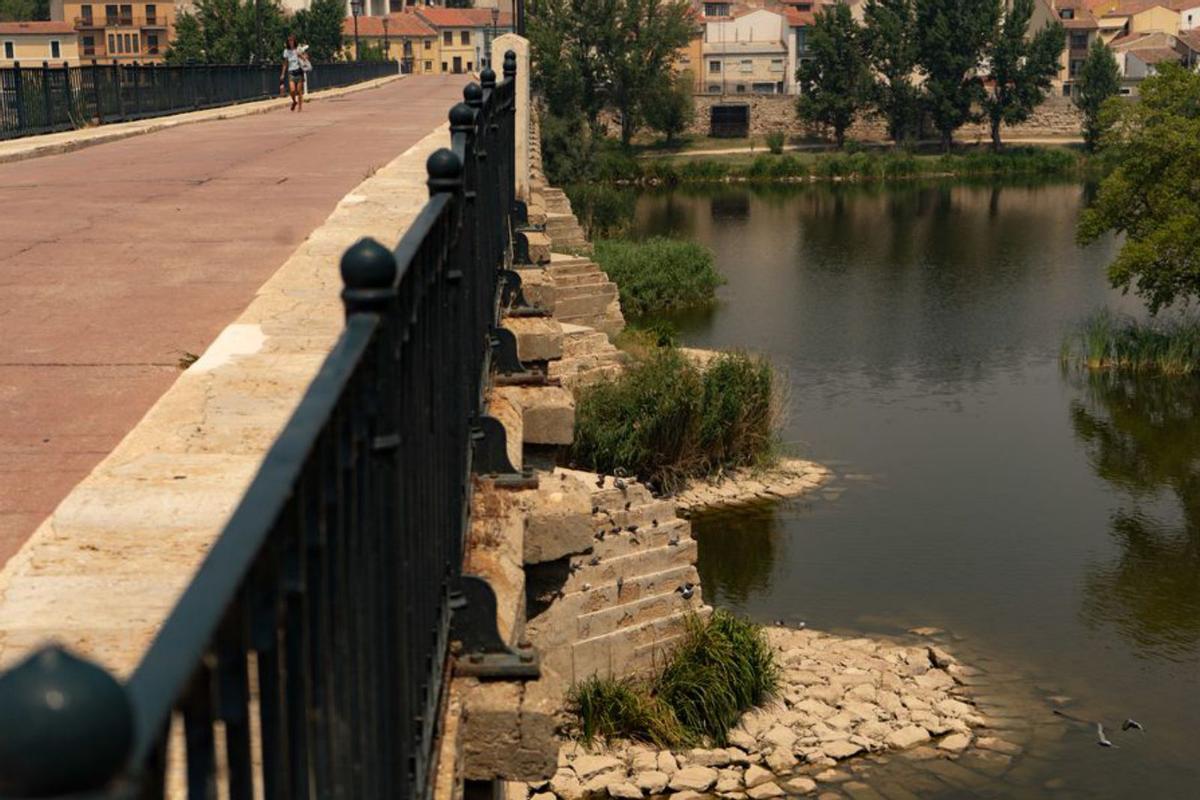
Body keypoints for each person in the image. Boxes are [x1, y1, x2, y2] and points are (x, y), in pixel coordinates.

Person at [280, 35, 306, 112]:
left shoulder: (298, 49)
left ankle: (300, 107)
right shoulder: (286, 51)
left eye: (292, 41)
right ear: (288, 42)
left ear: (294, 41)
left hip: (298, 71)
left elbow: (304, 57)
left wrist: (302, 56)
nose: (291, 42)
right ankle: (294, 101)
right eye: (289, 41)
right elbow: (285, 63)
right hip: (291, 72)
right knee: (292, 90)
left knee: (299, 90)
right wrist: (282, 74)